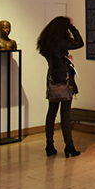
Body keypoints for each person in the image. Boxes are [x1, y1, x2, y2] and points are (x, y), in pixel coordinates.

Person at [36, 16, 84, 157]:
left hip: (52, 79)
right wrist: (72, 28)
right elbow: (80, 43)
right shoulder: (61, 43)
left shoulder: (46, 42)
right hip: (64, 80)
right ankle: (69, 146)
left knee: (51, 112)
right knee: (65, 114)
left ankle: (49, 145)